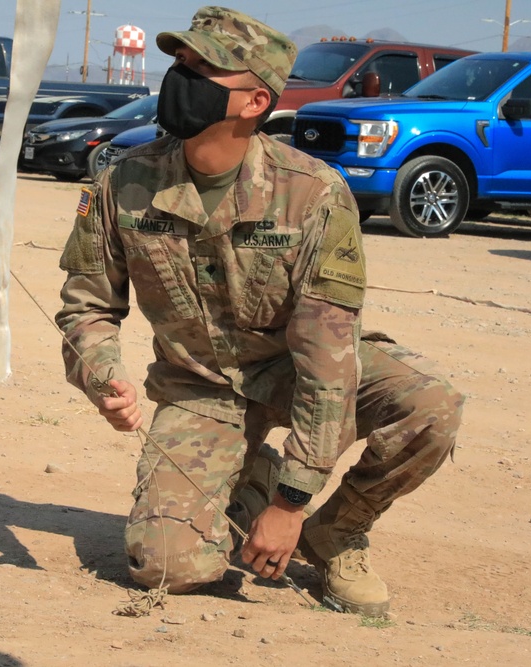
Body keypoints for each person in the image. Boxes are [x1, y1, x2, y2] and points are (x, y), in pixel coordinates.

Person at [55, 6, 464, 618]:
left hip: (298, 374)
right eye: (180, 62)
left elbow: (327, 360)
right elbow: (87, 305)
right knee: (167, 567)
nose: (179, 76)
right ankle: (249, 479)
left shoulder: (313, 193)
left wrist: (294, 504)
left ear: (254, 103)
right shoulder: (122, 183)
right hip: (202, 390)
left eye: (202, 69)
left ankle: (337, 533)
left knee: (431, 405)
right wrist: (100, 372)